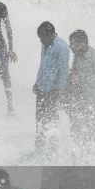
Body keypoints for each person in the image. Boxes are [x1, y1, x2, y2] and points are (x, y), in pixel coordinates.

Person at [66, 29, 95, 155]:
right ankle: (77, 156)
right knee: (75, 130)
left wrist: (81, 78)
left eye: (73, 44)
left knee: (93, 131)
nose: (71, 48)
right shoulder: (77, 55)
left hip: (91, 101)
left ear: (82, 43)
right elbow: (73, 74)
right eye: (70, 44)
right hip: (77, 99)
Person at [33, 21, 70, 154]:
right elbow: (42, 65)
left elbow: (64, 71)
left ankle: (53, 150)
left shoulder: (62, 47)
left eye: (42, 37)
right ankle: (39, 148)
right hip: (42, 89)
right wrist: (37, 82)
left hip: (54, 91)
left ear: (51, 34)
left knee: (52, 120)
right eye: (40, 38)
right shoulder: (45, 44)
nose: (41, 41)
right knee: (40, 120)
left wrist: (61, 91)